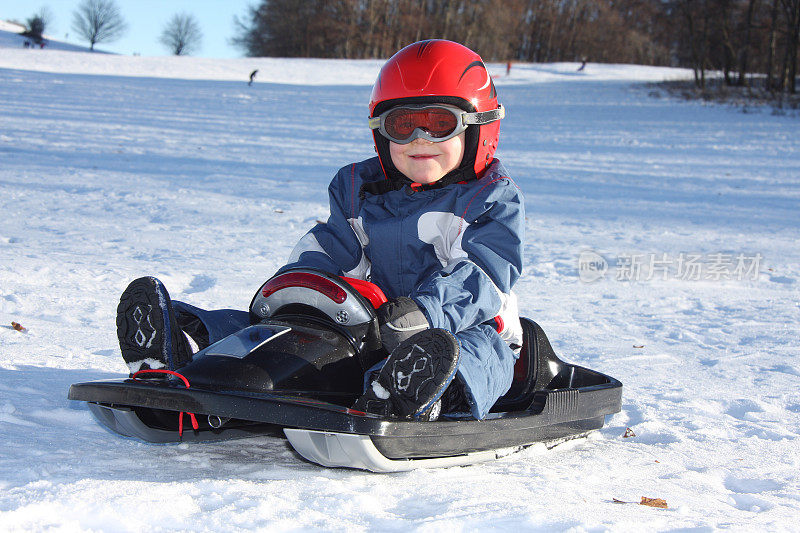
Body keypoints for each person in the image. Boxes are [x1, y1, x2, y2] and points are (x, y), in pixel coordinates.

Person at [116, 40, 524, 421]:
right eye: (402, 125)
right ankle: (185, 347)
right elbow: (328, 250)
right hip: (369, 323)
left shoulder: (490, 200)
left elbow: (485, 275)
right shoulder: (359, 191)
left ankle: (424, 393)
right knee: (288, 330)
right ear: (381, 131)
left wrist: (428, 312)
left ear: (478, 127)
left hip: (461, 325)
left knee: (482, 351)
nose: (419, 138)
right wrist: (294, 291)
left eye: (439, 123)